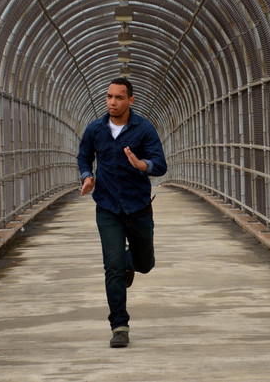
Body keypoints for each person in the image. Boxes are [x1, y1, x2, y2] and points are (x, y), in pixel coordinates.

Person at [77, 77, 167, 348]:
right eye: (109, 97)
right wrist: (87, 176)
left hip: (138, 207)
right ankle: (119, 325)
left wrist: (142, 164)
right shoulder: (95, 129)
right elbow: (84, 156)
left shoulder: (144, 129)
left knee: (145, 263)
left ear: (130, 100)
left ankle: (130, 262)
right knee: (112, 266)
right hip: (107, 208)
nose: (112, 102)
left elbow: (160, 164)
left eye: (118, 97)